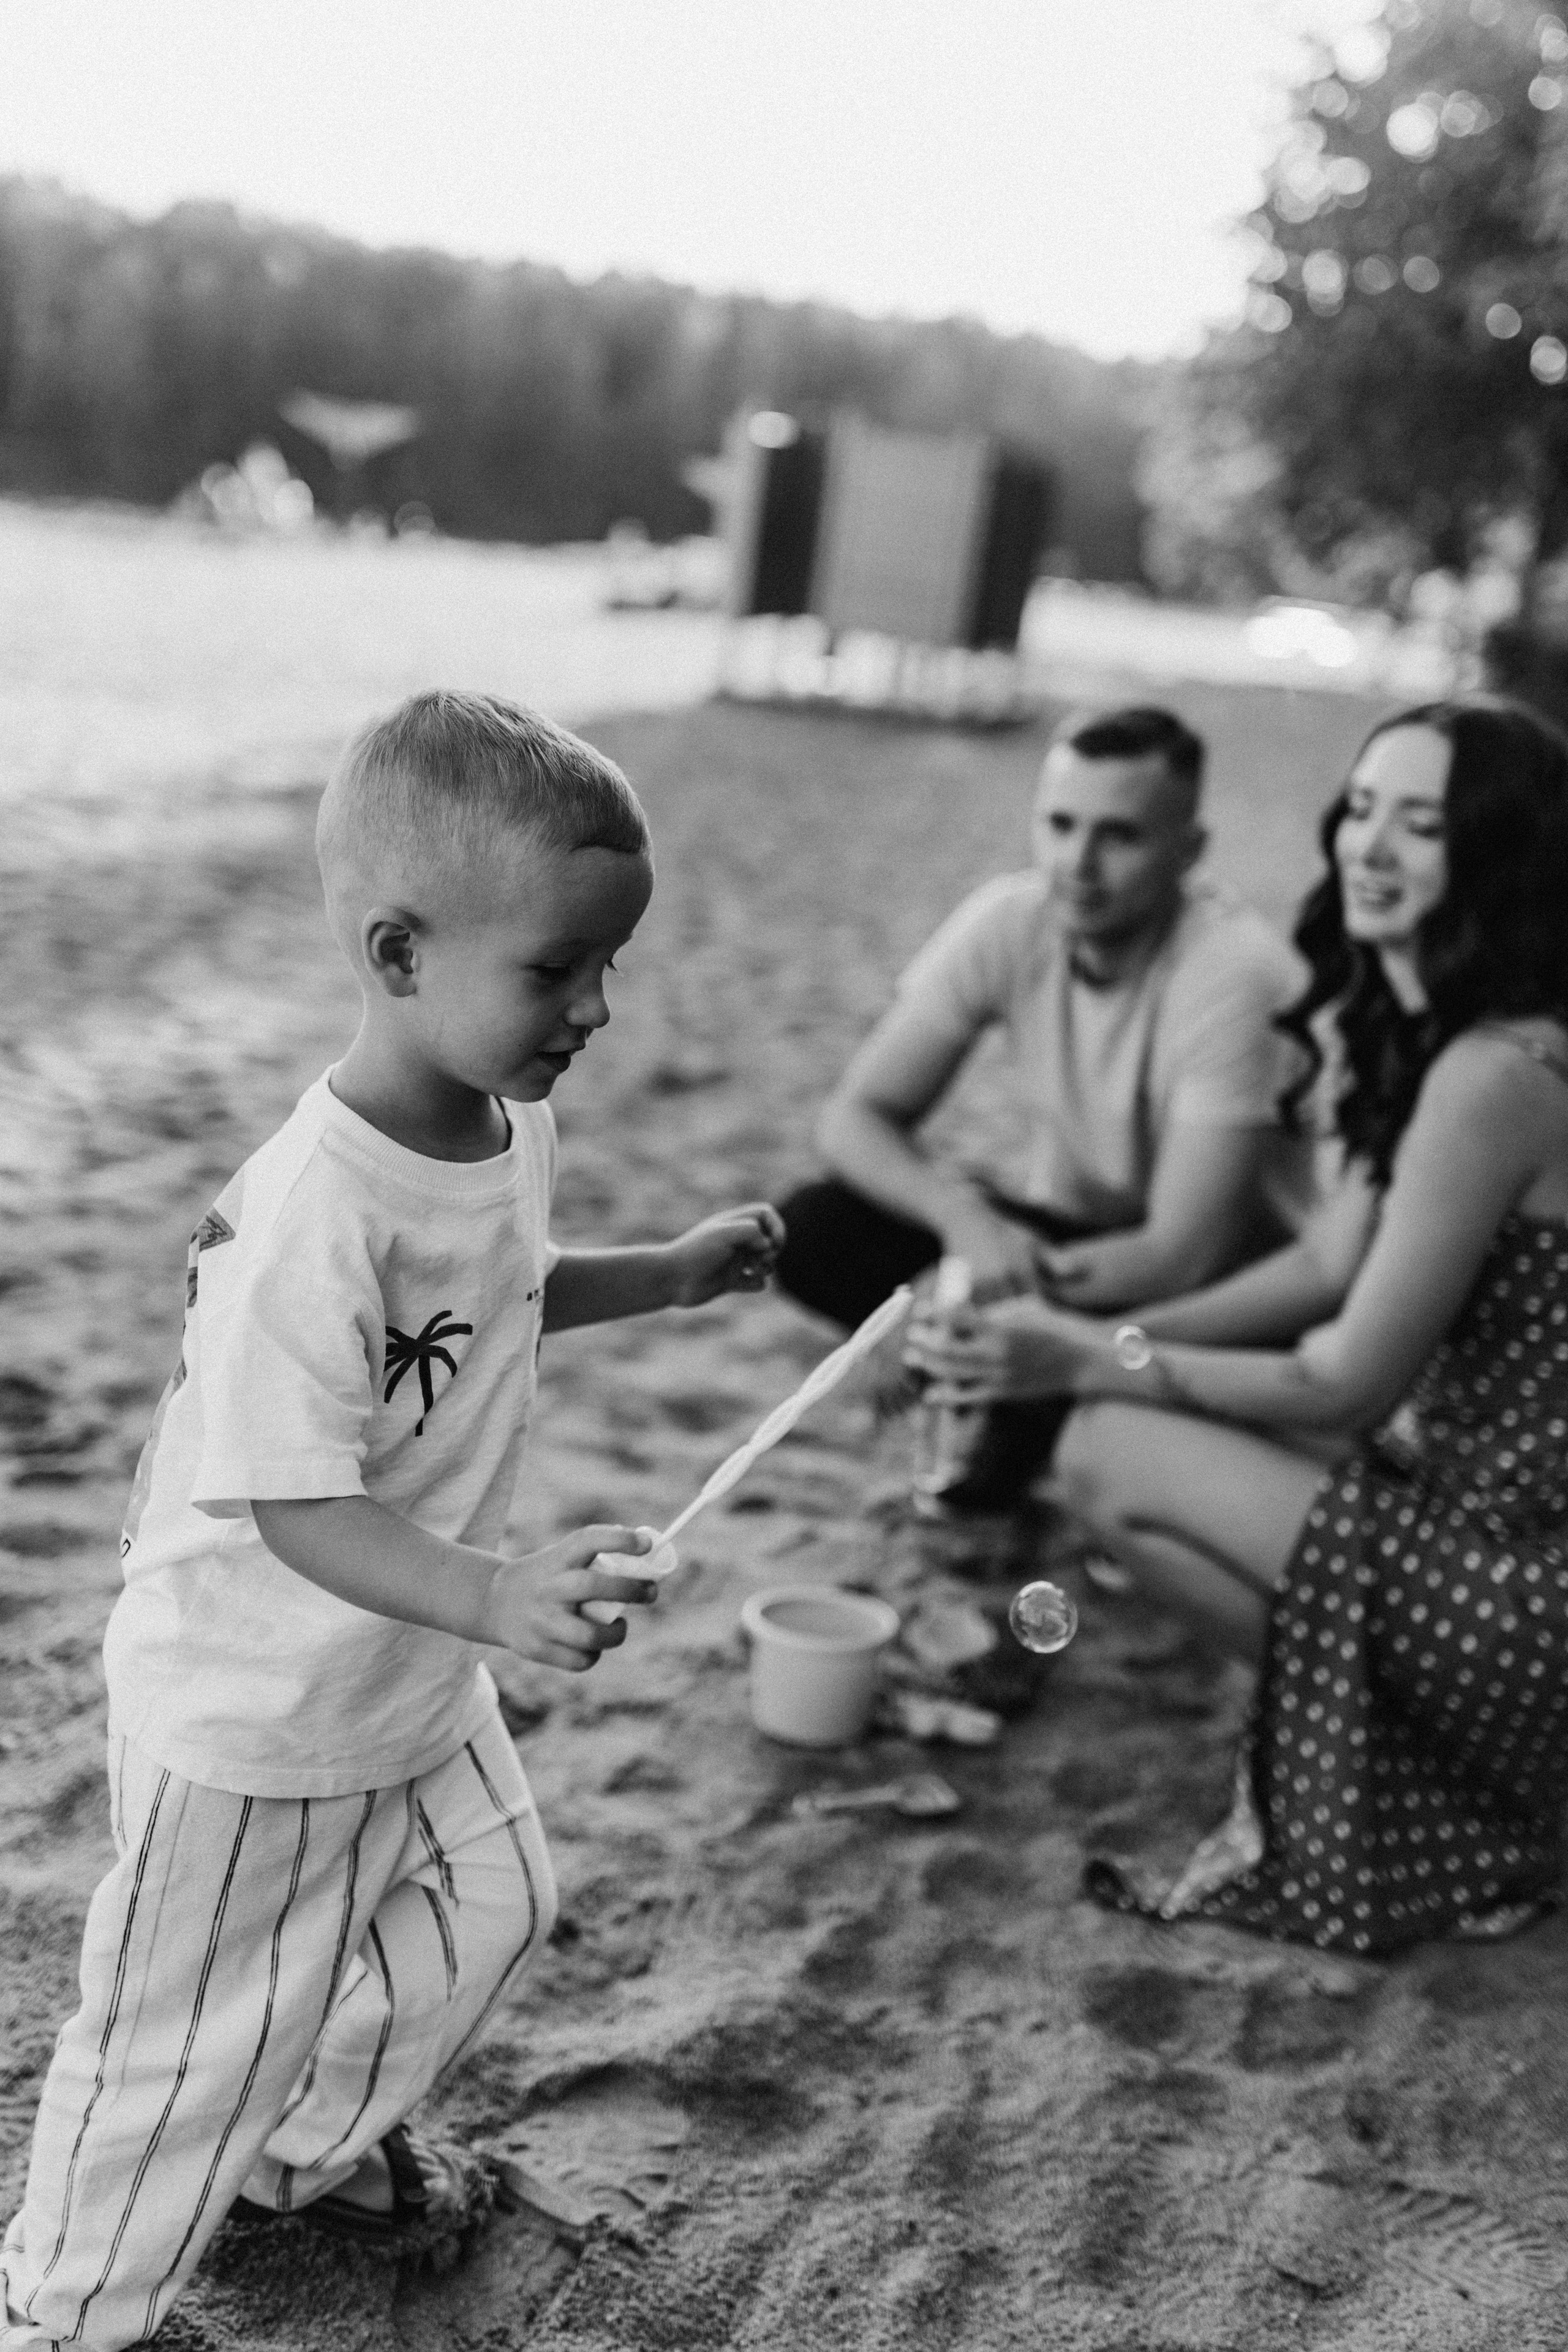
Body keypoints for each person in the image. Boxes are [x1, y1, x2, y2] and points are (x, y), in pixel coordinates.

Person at [1, 692, 784, 2346]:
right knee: (179, 2040)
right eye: (554, 970)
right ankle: (64, 2311)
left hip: (409, 1673)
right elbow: (289, 1501)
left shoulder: (510, 1127)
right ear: (398, 953)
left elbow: (500, 1293)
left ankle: (296, 2155)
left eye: (606, 967)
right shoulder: (311, 1214)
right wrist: (496, 1600)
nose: (593, 1008)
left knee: (493, 1913)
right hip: (262, 1701)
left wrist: (667, 1278)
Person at [907, 696, 1568, 1955]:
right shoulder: (1461, 1040)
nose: (1367, 849)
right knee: (1120, 1419)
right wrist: (1115, 1329)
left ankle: (1440, 1770)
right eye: (1360, 809)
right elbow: (1328, 1256)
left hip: (1517, 1585)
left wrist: (1088, 1358)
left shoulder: (1491, 1077)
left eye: (1419, 825)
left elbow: (1336, 1382)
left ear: (1495, 854)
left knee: (1102, 1451)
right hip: (1493, 1511)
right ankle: (1424, 1746)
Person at [774, 701, 1305, 1505]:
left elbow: (1184, 1252)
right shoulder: (1012, 919)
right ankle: (1013, 1399)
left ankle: (1022, 1404)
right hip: (1070, 1242)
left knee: (983, 1329)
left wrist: (967, 1301)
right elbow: (853, 1118)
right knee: (813, 1229)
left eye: (1118, 835)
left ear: (1188, 852)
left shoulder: (1234, 973)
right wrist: (964, 1229)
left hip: (1222, 1291)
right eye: (1060, 825)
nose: (1077, 863)